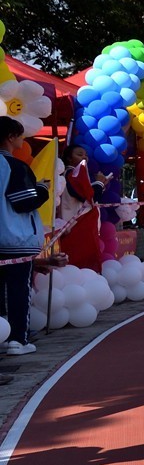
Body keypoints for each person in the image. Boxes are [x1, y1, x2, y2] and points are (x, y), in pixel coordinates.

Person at [0, 117, 49, 356]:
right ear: (10, 137)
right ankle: (17, 339)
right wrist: (42, 189)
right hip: (15, 239)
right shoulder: (14, 166)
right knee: (18, 290)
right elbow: (24, 202)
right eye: (20, 135)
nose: (23, 139)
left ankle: (3, 336)